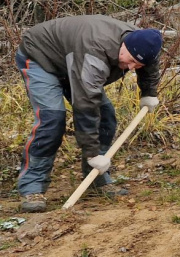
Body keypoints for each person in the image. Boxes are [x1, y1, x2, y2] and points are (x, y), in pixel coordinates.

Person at [16, 16, 162, 213]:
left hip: (74, 59)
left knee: (106, 117)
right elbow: (85, 106)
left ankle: (95, 178)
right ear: (124, 46)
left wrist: (149, 93)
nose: (130, 68)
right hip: (41, 57)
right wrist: (93, 153)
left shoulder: (144, 44)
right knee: (52, 119)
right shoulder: (95, 51)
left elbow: (149, 67)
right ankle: (32, 186)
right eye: (131, 61)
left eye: (137, 65)